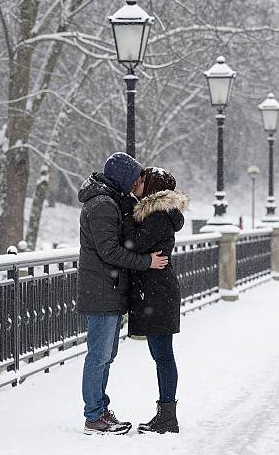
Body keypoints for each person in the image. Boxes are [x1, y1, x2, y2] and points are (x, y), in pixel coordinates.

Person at [77, 153, 168, 436]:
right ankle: (94, 416)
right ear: (123, 178)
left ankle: (100, 409)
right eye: (137, 178)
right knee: (99, 356)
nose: (139, 182)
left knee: (106, 355)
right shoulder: (103, 205)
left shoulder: (110, 200)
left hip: (108, 289)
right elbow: (110, 251)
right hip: (103, 290)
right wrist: (147, 262)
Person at [121, 166, 188, 435]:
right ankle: (166, 414)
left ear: (152, 188)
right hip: (158, 291)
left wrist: (127, 212)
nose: (137, 183)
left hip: (158, 293)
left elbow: (132, 243)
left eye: (142, 180)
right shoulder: (159, 214)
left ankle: (167, 417)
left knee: (162, 356)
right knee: (162, 355)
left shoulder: (158, 216)